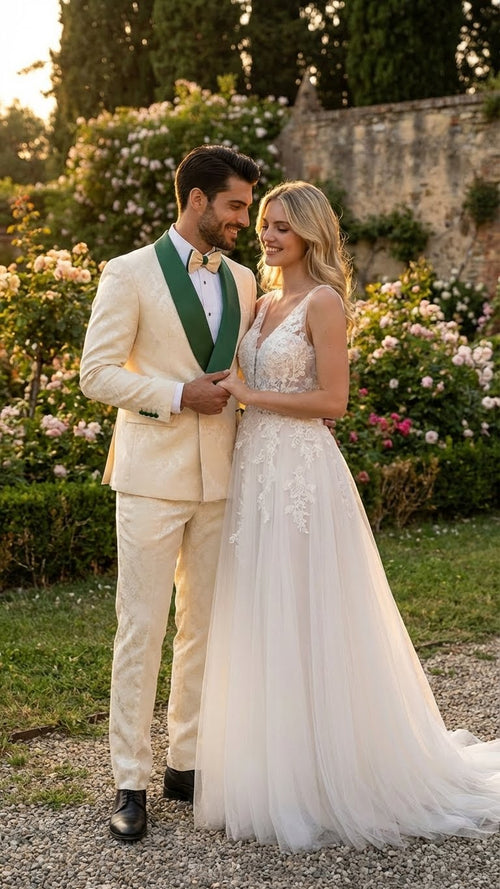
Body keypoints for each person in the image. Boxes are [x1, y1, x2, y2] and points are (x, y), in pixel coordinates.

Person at [194, 180, 500, 852]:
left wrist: (252, 393)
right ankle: (272, 769)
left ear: (309, 232)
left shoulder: (322, 302)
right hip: (255, 472)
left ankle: (331, 774)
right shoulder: (262, 301)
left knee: (310, 611)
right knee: (259, 610)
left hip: (302, 472)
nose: (269, 236)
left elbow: (333, 400)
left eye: (281, 227)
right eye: (265, 224)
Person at [79, 145, 261, 841]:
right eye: (236, 205)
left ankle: (185, 761)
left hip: (220, 478)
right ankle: (130, 776)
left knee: (203, 626)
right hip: (150, 480)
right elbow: (96, 374)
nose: (245, 218)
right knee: (142, 625)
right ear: (197, 200)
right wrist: (175, 394)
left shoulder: (244, 280)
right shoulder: (126, 273)